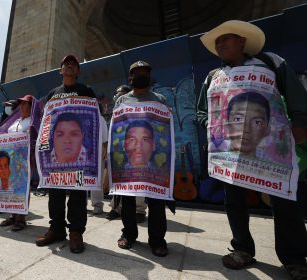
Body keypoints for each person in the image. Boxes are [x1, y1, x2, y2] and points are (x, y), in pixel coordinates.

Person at [196, 20, 307, 279]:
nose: (221, 44)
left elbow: (295, 96)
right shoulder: (213, 77)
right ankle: (242, 249)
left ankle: (294, 258)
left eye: (226, 38)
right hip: (230, 152)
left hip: (271, 151)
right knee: (233, 200)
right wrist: (212, 125)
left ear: (243, 42)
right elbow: (203, 111)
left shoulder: (270, 64)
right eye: (217, 42)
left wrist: (300, 123)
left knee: (283, 200)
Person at [36, 54, 97, 254]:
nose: (70, 67)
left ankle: (76, 232)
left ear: (78, 71)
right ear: (60, 71)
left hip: (78, 157)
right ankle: (56, 229)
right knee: (55, 194)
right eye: (66, 65)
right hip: (56, 155)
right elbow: (48, 123)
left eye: (74, 65)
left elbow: (94, 118)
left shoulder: (86, 91)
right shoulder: (53, 93)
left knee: (78, 195)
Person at [114, 60, 169, 257]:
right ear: (130, 78)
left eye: (144, 72)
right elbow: (117, 130)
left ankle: (157, 240)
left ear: (149, 75)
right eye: (136, 72)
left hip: (153, 160)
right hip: (129, 159)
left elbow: (165, 131)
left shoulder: (160, 99)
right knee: (127, 199)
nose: (140, 75)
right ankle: (129, 234)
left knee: (156, 200)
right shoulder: (122, 101)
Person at [0, 94, 41, 231]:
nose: (22, 106)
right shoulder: (16, 122)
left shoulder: (34, 122)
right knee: (12, 187)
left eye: (25, 104)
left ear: (32, 107)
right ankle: (13, 216)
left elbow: (36, 140)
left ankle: (21, 218)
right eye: (21, 104)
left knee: (23, 187)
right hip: (10, 159)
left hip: (25, 159)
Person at [106, 85, 147, 222]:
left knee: (139, 178)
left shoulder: (137, 104)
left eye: (120, 93)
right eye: (116, 94)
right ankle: (116, 208)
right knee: (119, 179)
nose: (117, 96)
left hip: (137, 148)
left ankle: (140, 210)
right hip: (121, 147)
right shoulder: (118, 106)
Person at [227, 92, 270, 156]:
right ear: (226, 125)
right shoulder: (210, 162)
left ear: (267, 130)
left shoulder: (272, 165)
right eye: (238, 119)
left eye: (257, 122)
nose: (246, 129)